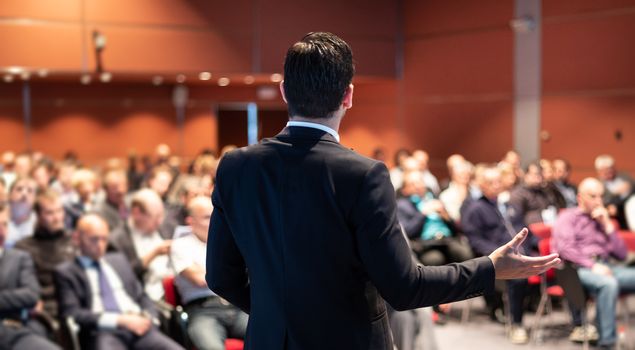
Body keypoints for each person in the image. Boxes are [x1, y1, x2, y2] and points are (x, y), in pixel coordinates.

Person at [205, 32, 559, 350]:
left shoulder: (235, 166)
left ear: (284, 91)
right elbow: (403, 287)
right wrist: (490, 268)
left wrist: (279, 314)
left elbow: (221, 277)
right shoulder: (363, 174)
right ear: (348, 95)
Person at [54, 214, 183, 350]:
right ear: (77, 238)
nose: (100, 245)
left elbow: (140, 296)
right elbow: (72, 313)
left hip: (141, 328)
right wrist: (120, 321)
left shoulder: (118, 260)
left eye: (104, 239)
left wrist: (150, 318)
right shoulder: (67, 272)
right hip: (103, 333)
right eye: (93, 239)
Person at [552, 178, 635, 349]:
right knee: (608, 284)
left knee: (616, 279)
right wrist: (592, 266)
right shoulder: (567, 217)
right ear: (580, 197)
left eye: (601, 196)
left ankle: (600, 328)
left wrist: (607, 225)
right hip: (577, 269)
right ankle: (607, 343)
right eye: (593, 196)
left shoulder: (601, 220)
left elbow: (621, 254)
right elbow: (565, 249)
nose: (599, 201)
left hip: (605, 266)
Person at [461, 165, 536, 344]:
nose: (496, 185)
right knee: (518, 277)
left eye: (498, 181)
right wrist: (499, 253)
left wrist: (534, 247)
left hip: (521, 254)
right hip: (496, 259)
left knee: (560, 266)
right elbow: (475, 241)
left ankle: (578, 324)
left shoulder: (509, 205)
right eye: (491, 182)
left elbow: (526, 230)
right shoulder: (476, 209)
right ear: (482, 185)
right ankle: (516, 324)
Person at [170, 196, 247, 350]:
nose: (213, 220)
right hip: (203, 311)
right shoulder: (180, 245)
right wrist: (231, 270)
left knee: (273, 334)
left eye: (214, 214)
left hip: (237, 306)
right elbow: (200, 279)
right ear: (190, 222)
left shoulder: (228, 241)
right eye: (206, 217)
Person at [0, 204, 61, 350]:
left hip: (15, 328)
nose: (1, 231)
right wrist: (15, 301)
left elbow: (31, 295)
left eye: (4, 225)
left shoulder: (19, 258)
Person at [14, 190, 76, 329]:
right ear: (38, 216)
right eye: (50, 213)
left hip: (76, 304)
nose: (57, 217)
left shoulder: (75, 241)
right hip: (45, 309)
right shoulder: (24, 248)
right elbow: (24, 287)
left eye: (59, 211)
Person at [109, 189, 173, 302]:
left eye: (161, 216)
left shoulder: (165, 228)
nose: (159, 221)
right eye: (155, 216)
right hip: (144, 297)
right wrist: (154, 254)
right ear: (136, 213)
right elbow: (122, 277)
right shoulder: (117, 240)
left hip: (174, 290)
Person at [5, 176, 38, 248]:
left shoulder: (40, 221)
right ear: (9, 195)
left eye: (30, 191)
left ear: (35, 198)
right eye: (19, 189)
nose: (24, 193)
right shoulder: (1, 217)